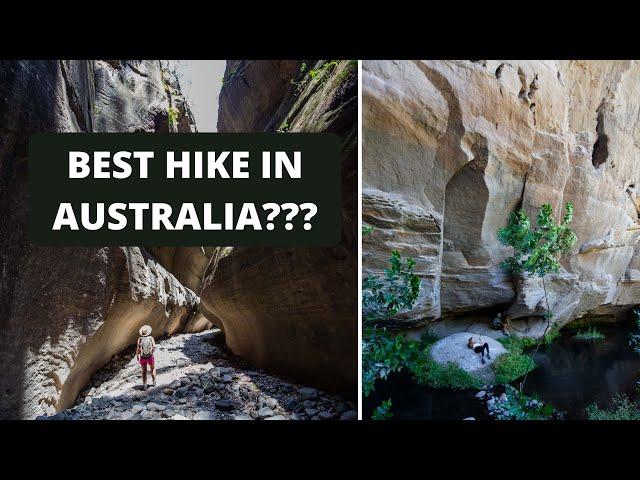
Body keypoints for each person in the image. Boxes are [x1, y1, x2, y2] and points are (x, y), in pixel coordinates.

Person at [136, 325, 156, 390]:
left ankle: (145, 386)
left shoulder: (140, 339)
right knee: (152, 369)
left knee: (144, 371)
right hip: (150, 356)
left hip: (142, 357)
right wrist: (151, 352)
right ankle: (154, 382)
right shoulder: (151, 338)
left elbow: (138, 349)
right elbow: (154, 347)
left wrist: (137, 356)